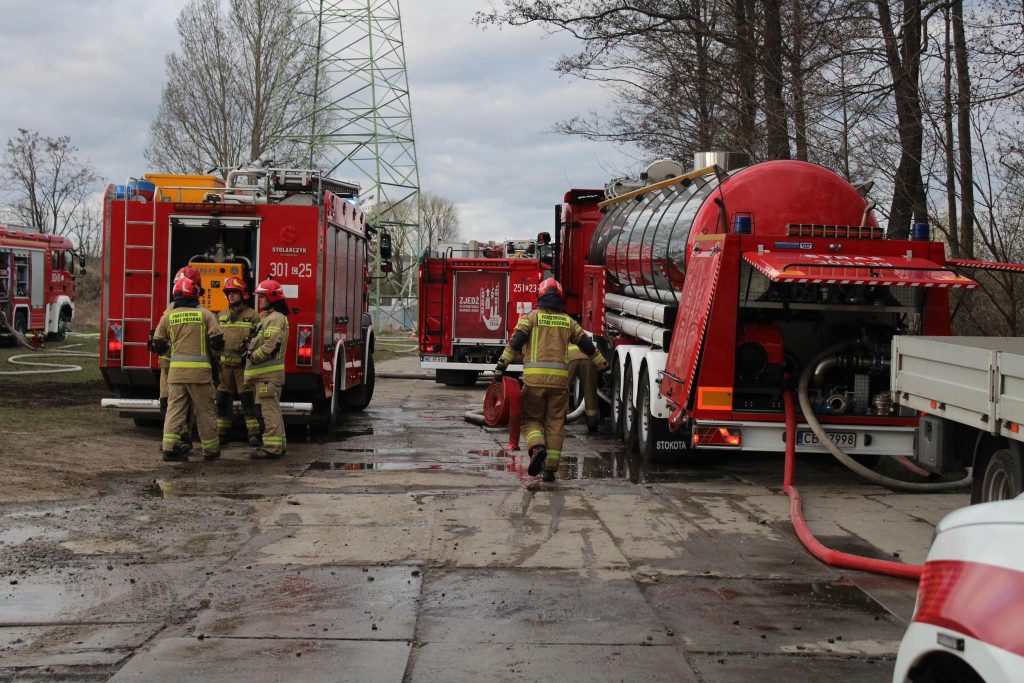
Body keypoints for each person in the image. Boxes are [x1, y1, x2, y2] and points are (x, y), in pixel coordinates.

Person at [494, 278, 608, 482]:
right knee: (556, 423)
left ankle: (537, 448)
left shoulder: (531, 318)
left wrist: (501, 366)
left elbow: (515, 343)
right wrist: (602, 364)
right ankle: (550, 470)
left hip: (534, 383)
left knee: (531, 420)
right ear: (560, 298)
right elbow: (587, 346)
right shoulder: (568, 321)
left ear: (540, 296)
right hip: (559, 385)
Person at [151, 276, 224, 462]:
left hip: (175, 374)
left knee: (174, 410)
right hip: (200, 375)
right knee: (205, 412)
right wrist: (214, 358)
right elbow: (217, 342)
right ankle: (211, 450)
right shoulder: (206, 314)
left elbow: (157, 343)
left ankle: (168, 448)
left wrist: (173, 351)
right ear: (195, 294)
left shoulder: (168, 316)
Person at [153, 266, 203, 453]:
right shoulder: (198, 311)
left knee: (172, 405)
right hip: (177, 368)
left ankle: (179, 441)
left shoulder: (170, 311)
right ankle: (180, 440)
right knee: (176, 406)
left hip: (172, 368)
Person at [245, 279, 290, 460]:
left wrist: (252, 357)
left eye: (262, 297)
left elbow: (270, 347)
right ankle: (279, 444)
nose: (259, 300)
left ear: (272, 298)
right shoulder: (267, 318)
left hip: (268, 376)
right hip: (264, 376)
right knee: (272, 411)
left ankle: (272, 448)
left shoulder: (276, 319)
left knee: (268, 412)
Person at [215, 277, 261, 446]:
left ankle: (254, 434)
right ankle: (221, 432)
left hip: (243, 368)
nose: (231, 296)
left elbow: (260, 340)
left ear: (243, 295)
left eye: (234, 292)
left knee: (248, 401)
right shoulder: (221, 316)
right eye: (228, 293)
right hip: (224, 368)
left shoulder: (253, 317)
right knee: (221, 401)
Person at [567, 341, 600, 432]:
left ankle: (558, 420)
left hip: (569, 358)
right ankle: (592, 425)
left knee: (563, 391)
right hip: (588, 358)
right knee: (590, 392)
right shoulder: (580, 335)